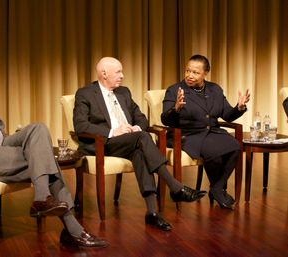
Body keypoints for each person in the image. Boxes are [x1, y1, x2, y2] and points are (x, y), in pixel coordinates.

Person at [0, 56, 108, 248]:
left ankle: (42, 199)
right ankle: (72, 230)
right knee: (43, 158)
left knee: (38, 128)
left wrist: (10, 136)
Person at [73, 57, 207, 231]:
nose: (122, 76)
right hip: (102, 143)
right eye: (118, 72)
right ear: (104, 74)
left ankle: (152, 213)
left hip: (129, 141)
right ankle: (175, 187)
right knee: (143, 138)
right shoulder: (86, 93)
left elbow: (141, 118)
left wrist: (135, 127)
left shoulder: (124, 92)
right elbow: (80, 126)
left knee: (140, 152)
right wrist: (114, 131)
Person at [161, 54, 250, 210]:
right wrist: (175, 109)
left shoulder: (215, 89)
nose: (189, 75)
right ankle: (219, 190)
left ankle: (216, 188)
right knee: (214, 152)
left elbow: (227, 114)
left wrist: (239, 107)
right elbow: (165, 120)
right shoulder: (175, 90)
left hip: (213, 132)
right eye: (187, 71)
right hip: (187, 135)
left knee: (236, 147)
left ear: (205, 73)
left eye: (195, 72)